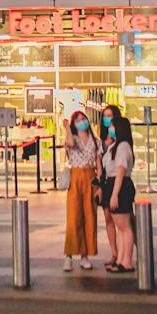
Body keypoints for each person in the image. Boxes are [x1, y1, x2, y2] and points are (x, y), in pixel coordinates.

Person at [100, 106, 136, 272]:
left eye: (113, 125)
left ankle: (126, 261)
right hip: (114, 184)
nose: (110, 128)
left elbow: (120, 170)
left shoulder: (122, 147)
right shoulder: (116, 145)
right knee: (121, 227)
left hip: (120, 186)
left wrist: (115, 194)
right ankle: (121, 259)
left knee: (124, 227)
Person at [62, 109, 99, 271]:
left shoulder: (95, 140)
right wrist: (67, 128)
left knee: (89, 217)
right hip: (76, 177)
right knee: (74, 217)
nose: (81, 121)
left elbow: (99, 163)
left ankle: (85, 254)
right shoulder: (73, 138)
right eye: (77, 119)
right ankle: (69, 255)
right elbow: (70, 144)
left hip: (90, 178)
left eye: (82, 118)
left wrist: (100, 185)